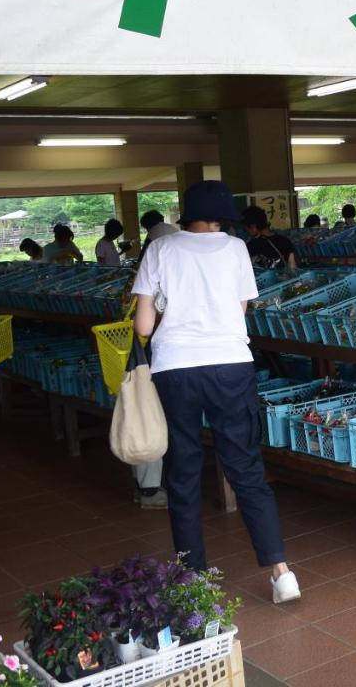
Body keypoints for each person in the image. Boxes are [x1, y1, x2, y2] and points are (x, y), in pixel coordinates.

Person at [131, 180, 300, 604]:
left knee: (184, 471)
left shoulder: (160, 250)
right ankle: (281, 572)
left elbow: (144, 326)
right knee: (245, 467)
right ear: (220, 218)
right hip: (230, 364)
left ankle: (193, 579)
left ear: (186, 215)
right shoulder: (236, 248)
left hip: (176, 369)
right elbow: (240, 308)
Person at [241, 205, 297, 271]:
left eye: (246, 229)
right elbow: (293, 267)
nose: (247, 232)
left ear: (253, 227)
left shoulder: (250, 246)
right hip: (285, 280)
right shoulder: (285, 241)